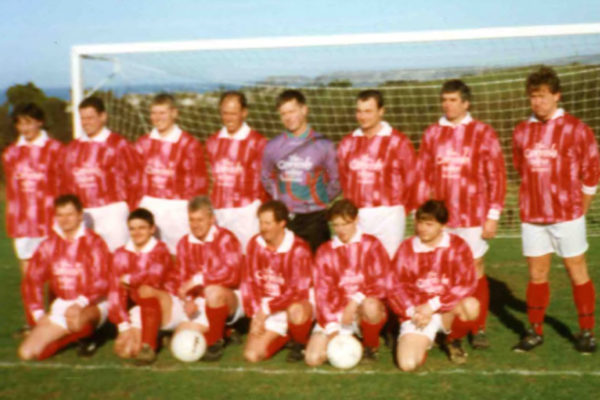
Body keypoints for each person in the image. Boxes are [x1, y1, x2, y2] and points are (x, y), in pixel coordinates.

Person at [512, 66, 600, 354]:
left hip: (567, 215)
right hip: (533, 216)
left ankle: (586, 332)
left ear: (556, 95)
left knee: (577, 270)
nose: (537, 102)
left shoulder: (576, 129)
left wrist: (581, 207)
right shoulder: (522, 130)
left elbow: (592, 171)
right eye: (532, 96)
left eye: (542, 96)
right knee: (537, 274)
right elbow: (519, 168)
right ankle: (535, 331)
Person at [416, 80, 506, 350]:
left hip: (473, 215)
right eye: (444, 99)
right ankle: (440, 324)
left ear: (466, 103)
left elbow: (496, 175)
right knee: (438, 270)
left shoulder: (483, 132)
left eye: (453, 99)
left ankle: (478, 328)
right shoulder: (432, 133)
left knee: (476, 269)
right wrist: (422, 216)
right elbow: (423, 175)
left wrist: (493, 214)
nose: (448, 104)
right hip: (441, 217)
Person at [135, 196, 244, 361]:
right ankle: (148, 347)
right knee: (147, 291)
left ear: (212, 219)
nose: (195, 225)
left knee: (212, 291)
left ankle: (216, 340)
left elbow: (232, 275)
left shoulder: (226, 239)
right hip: (196, 301)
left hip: (226, 298)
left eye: (200, 220)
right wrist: (186, 300)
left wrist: (198, 281)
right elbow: (179, 279)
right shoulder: (184, 243)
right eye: (192, 220)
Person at [388, 200, 479, 371]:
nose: (422, 228)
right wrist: (411, 311)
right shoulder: (407, 248)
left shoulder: (457, 246)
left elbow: (466, 283)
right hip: (416, 313)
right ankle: (424, 340)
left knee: (471, 306)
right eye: (420, 222)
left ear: (443, 225)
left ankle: (452, 340)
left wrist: (432, 305)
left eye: (429, 224)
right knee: (407, 365)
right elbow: (395, 287)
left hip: (445, 311)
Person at [18, 194, 110, 360]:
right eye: (60, 215)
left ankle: (88, 337)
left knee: (76, 320)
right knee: (27, 353)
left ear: (80, 215)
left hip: (93, 302)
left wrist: (80, 303)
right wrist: (38, 314)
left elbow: (102, 280)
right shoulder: (49, 245)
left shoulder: (94, 242)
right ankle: (75, 335)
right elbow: (32, 280)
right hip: (63, 304)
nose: (65, 220)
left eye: (70, 214)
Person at [305, 199, 388, 366]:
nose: (341, 230)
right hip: (336, 315)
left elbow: (382, 281)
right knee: (312, 359)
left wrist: (355, 301)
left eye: (346, 224)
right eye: (336, 225)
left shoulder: (371, 245)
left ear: (356, 220)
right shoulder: (325, 251)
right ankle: (349, 341)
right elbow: (321, 294)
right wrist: (332, 330)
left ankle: (370, 347)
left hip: (360, 310)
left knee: (371, 306)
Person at [337, 90, 417, 258]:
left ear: (381, 111)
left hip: (389, 213)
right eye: (359, 111)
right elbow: (344, 178)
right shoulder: (348, 143)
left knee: (388, 263)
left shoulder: (398, 141)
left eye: (368, 111)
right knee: (359, 263)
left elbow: (412, 179)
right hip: (357, 214)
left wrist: (402, 209)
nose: (362, 116)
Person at [261, 90, 340, 252]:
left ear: (304, 109)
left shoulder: (323, 145)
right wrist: (280, 199)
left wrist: (317, 199)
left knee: (318, 268)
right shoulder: (272, 146)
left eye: (292, 111)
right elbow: (266, 178)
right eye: (283, 114)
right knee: (288, 269)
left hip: (315, 219)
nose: (288, 117)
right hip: (286, 218)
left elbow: (336, 181)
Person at [61, 96, 139, 252]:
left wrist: (132, 210)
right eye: (83, 118)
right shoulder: (72, 148)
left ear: (103, 116)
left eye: (90, 117)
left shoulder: (119, 144)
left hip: (113, 210)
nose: (86, 122)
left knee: (117, 259)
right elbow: (66, 183)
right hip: (84, 212)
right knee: (88, 261)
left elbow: (135, 179)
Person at [134, 93, 208, 254]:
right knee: (148, 255)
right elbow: (134, 179)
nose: (157, 117)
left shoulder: (189, 144)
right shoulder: (143, 143)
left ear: (174, 113)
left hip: (178, 208)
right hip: (149, 204)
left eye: (162, 113)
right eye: (154, 113)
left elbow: (199, 183)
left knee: (179, 254)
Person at [242, 200, 313, 363]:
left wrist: (266, 310)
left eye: (268, 223)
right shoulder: (255, 244)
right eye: (260, 222)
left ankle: (300, 340)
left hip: (293, 304)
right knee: (251, 355)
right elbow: (249, 282)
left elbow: (298, 291)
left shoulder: (299, 249)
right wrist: (255, 315)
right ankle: (286, 336)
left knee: (296, 311)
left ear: (282, 223)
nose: (263, 227)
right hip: (266, 308)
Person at [2, 103, 63, 275]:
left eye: (29, 123)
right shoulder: (11, 153)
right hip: (23, 222)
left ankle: (56, 303)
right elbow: (13, 189)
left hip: (51, 219)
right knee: (28, 270)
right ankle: (32, 303)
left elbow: (63, 183)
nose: (25, 128)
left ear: (40, 122)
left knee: (56, 268)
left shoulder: (55, 149)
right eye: (20, 124)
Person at [108, 208, 174, 364]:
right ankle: (158, 335)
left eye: (142, 228)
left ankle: (154, 338)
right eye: (132, 228)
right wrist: (124, 327)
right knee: (124, 351)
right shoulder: (121, 254)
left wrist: (129, 279)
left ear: (152, 229)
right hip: (138, 307)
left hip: (162, 304)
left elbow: (153, 278)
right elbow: (114, 291)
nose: (137, 232)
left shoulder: (160, 250)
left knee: (146, 290)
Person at [205, 91, 268, 250]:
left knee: (246, 256)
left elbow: (267, 179)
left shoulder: (258, 142)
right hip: (219, 210)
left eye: (233, 113)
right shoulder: (212, 142)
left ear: (244, 113)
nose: (229, 118)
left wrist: (259, 207)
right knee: (221, 256)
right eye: (225, 113)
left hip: (246, 211)